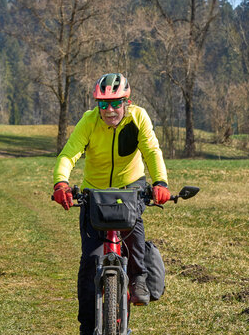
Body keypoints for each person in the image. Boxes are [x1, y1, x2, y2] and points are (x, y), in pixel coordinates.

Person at [52, 73, 170, 334]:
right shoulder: (89, 121)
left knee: (134, 230)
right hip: (94, 191)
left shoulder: (138, 117)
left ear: (127, 102)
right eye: (103, 104)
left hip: (130, 184)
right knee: (90, 261)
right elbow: (69, 153)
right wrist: (61, 182)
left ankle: (138, 279)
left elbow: (151, 150)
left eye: (116, 103)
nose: (109, 110)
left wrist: (160, 182)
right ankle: (87, 326)